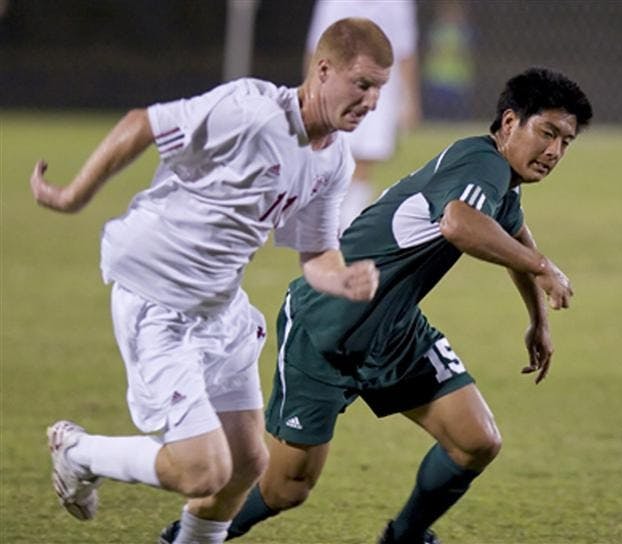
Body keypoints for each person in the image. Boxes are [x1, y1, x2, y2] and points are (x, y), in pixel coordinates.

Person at [161, 66, 593, 543]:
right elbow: (459, 224)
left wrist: (537, 320)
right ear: (510, 123)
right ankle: (185, 536)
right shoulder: (480, 163)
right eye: (547, 133)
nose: (554, 151)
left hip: (394, 332)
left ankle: (403, 538)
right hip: (326, 327)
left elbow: (513, 229)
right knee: (287, 487)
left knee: (475, 441)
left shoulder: (500, 180)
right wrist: (543, 267)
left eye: (566, 142)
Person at [31, 17, 392, 544]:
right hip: (156, 295)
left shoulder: (334, 159)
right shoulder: (250, 111)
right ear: (322, 71)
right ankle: (79, 454)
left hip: (218, 307)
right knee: (203, 471)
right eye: (362, 84)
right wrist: (73, 195)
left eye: (379, 88)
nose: (372, 101)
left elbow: (315, 252)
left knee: (247, 464)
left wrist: (342, 279)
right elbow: (143, 123)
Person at [305, 0, 422, 231]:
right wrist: (311, 89)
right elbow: (317, 48)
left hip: (380, 85)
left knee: (366, 154)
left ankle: (351, 214)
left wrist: (409, 98)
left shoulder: (398, 4)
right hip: (338, 83)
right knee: (335, 149)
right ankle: (331, 211)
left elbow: (405, 51)